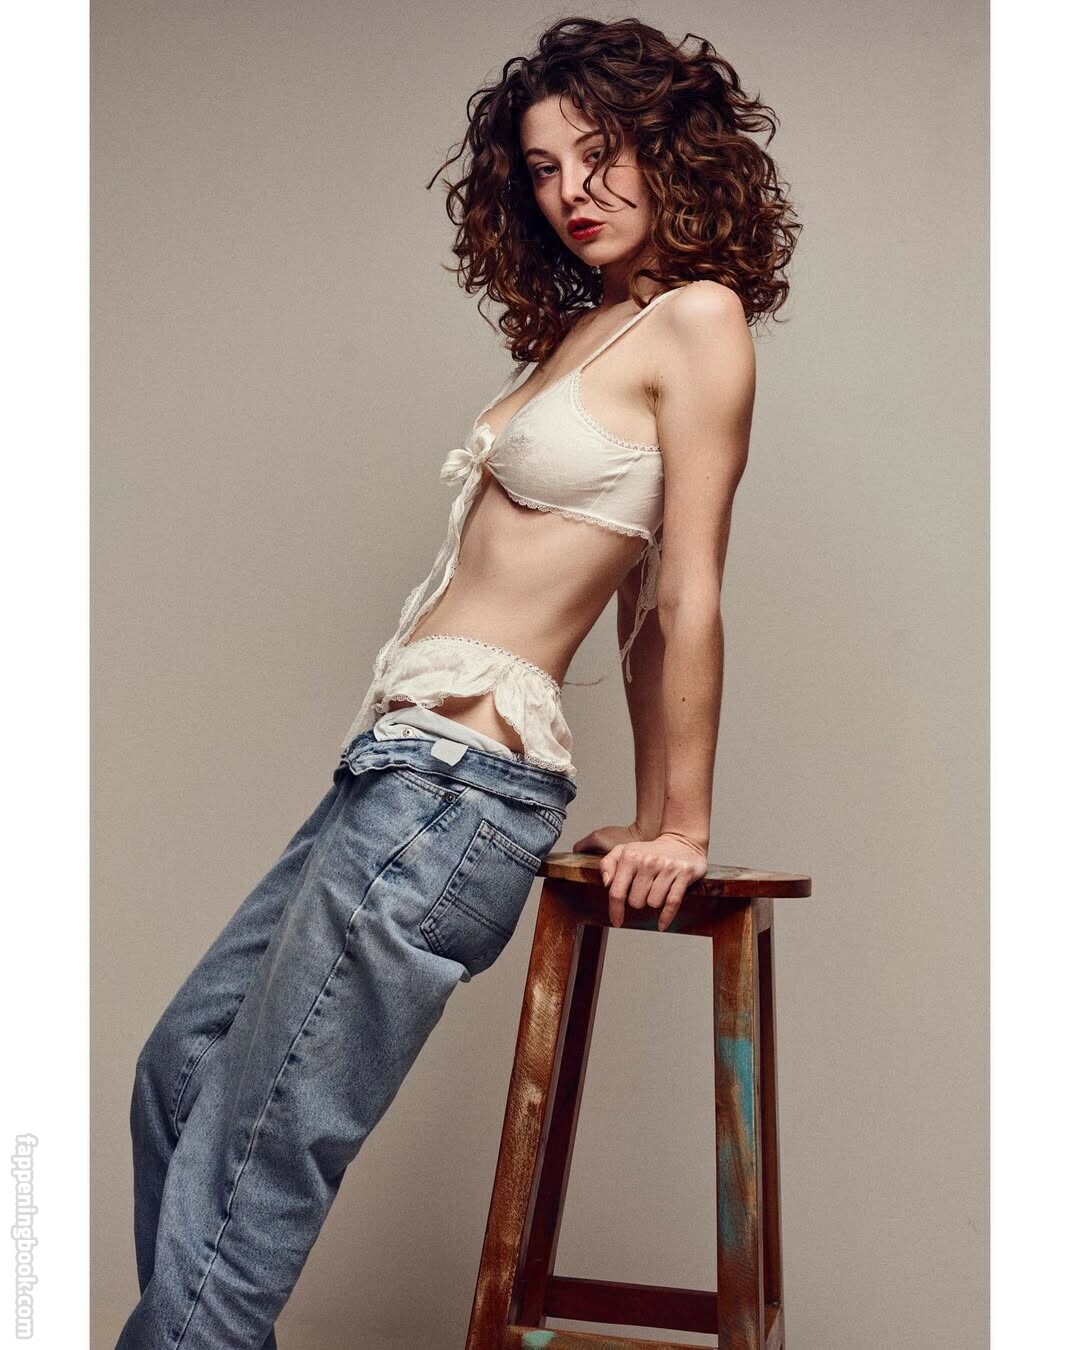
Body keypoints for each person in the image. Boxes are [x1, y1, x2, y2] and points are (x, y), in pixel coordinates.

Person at [116, 16, 800, 1348]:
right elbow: (636, 612)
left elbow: (681, 592)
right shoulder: (594, 327)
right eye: (542, 169)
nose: (571, 192)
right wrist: (646, 803)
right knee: (179, 1075)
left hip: (454, 795)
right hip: (390, 770)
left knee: (250, 1169)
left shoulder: (700, 321)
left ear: (666, 147)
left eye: (599, 154)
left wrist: (683, 825)